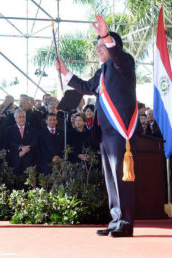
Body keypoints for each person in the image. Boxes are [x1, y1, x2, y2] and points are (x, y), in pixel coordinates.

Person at [56, 15, 141, 237]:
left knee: (122, 178)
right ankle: (116, 220)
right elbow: (85, 87)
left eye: (102, 45)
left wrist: (106, 35)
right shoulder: (101, 72)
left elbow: (118, 56)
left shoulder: (124, 63)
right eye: (97, 46)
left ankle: (126, 222)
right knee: (111, 179)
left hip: (121, 132)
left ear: (113, 47)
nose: (98, 49)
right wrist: (65, 72)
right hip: (105, 133)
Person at [5, 109, 37, 188]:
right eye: (19, 117)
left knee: (28, 186)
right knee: (15, 185)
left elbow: (35, 141)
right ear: (15, 118)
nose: (22, 119)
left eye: (23, 117)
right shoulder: (10, 129)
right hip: (15, 160)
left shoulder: (32, 129)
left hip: (28, 161)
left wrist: (25, 150)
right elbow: (9, 142)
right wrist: (20, 148)